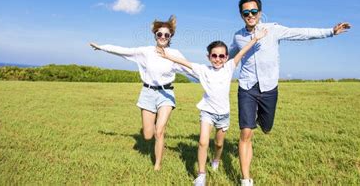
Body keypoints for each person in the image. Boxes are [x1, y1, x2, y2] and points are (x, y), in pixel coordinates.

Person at [229, 0, 351, 186]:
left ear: (260, 13)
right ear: (241, 15)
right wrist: (212, 62)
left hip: (269, 88)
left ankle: (261, 122)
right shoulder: (238, 36)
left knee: (267, 127)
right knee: (245, 132)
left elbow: (301, 33)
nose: (250, 15)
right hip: (246, 87)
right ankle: (246, 179)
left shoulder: (274, 30)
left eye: (254, 11)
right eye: (246, 12)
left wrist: (330, 32)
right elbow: (229, 56)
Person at [156, 28, 268, 186]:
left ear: (226, 57)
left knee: (219, 144)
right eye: (214, 55)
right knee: (203, 142)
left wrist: (255, 38)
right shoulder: (203, 70)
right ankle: (201, 174)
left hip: (223, 115)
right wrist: (167, 55)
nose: (218, 59)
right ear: (208, 57)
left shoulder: (229, 67)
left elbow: (242, 52)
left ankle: (216, 159)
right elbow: (184, 62)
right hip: (207, 112)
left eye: (221, 56)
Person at [89, 15, 189, 171]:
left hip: (166, 93)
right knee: (148, 135)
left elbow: (189, 68)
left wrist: (211, 75)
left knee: (160, 130)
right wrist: (102, 47)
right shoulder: (145, 52)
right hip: (148, 93)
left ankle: (157, 164)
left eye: (166, 35)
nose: (163, 37)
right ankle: (155, 131)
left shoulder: (175, 53)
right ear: (155, 35)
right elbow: (123, 51)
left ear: (170, 37)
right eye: (159, 34)